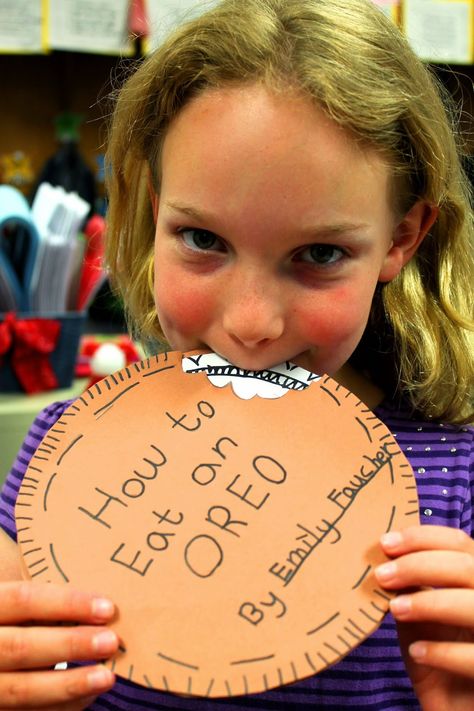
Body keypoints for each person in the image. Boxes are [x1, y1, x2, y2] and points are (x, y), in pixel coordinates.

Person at [0, 0, 473, 708]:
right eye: (203, 240)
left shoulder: (456, 481)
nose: (252, 325)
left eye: (319, 254)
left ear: (401, 239)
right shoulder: (64, 461)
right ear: (156, 210)